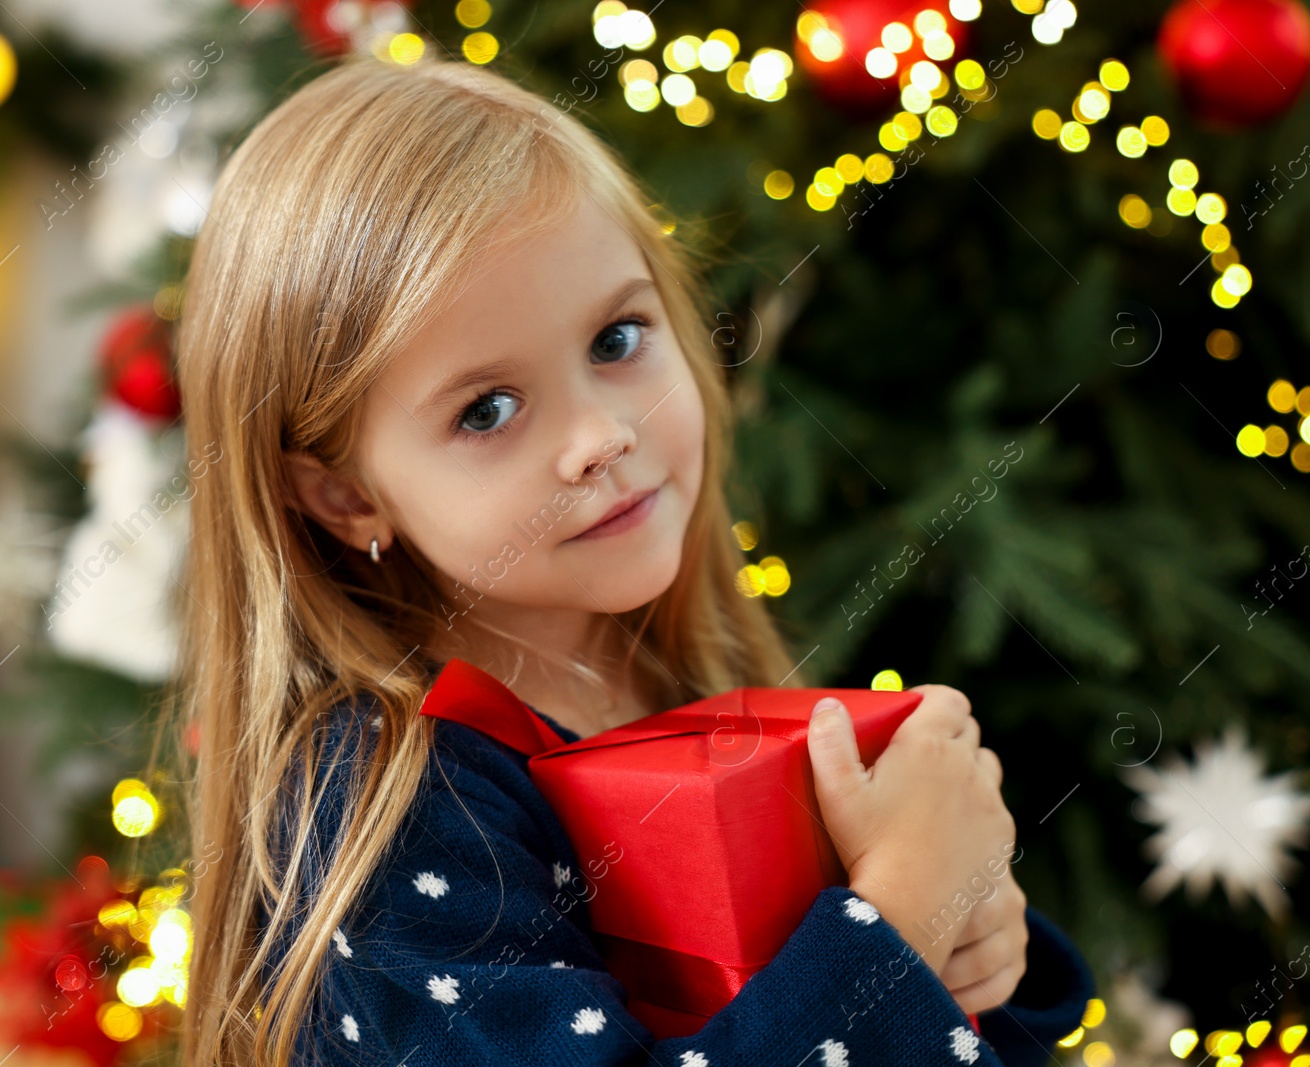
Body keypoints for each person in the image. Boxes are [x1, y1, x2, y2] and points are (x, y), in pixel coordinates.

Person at [167, 54, 1093, 1067]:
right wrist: (903, 907)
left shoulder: (665, 674)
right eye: (487, 409)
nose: (602, 433)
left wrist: (980, 933)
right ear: (346, 496)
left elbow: (911, 1018)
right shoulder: (385, 802)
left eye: (616, 338)